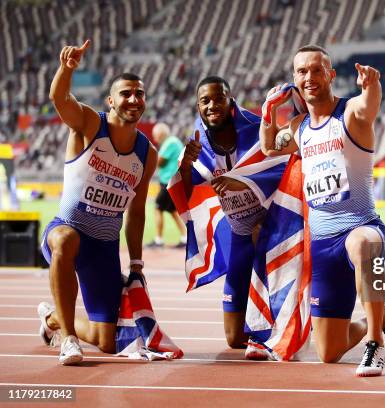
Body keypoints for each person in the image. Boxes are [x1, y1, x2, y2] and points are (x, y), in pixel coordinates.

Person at [259, 44, 385, 376]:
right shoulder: (298, 128)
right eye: (302, 71)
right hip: (322, 246)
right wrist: (269, 110)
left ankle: (374, 344)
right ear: (295, 78)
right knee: (328, 352)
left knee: (362, 245)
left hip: (362, 227)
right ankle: (382, 319)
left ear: (330, 75)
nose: (309, 77)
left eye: (316, 70)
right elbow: (269, 146)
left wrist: (372, 85)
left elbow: (368, 106)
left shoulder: (350, 113)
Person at [37, 40, 157, 365]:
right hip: (67, 228)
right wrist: (67, 68)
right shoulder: (90, 124)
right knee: (65, 239)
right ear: (111, 100)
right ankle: (69, 340)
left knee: (107, 341)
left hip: (104, 247)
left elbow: (136, 210)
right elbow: (59, 99)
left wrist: (136, 265)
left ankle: (52, 319)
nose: (134, 99)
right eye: (126, 93)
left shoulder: (147, 154)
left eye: (139, 94)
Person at [179, 76, 272, 359]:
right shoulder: (199, 145)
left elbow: (283, 173)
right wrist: (185, 165)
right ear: (198, 107)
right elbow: (187, 198)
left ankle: (269, 329)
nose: (212, 105)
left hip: (271, 233)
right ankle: (275, 324)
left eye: (218, 98)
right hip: (239, 234)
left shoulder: (257, 132)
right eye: (205, 101)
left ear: (230, 100)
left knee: (259, 230)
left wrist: (243, 184)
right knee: (233, 339)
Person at [147, 122, 187, 248]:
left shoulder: (170, 143)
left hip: (169, 182)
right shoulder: (172, 142)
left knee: (158, 207)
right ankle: (185, 238)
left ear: (161, 133)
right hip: (173, 181)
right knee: (172, 210)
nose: (155, 139)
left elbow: (159, 162)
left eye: (155, 135)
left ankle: (158, 240)